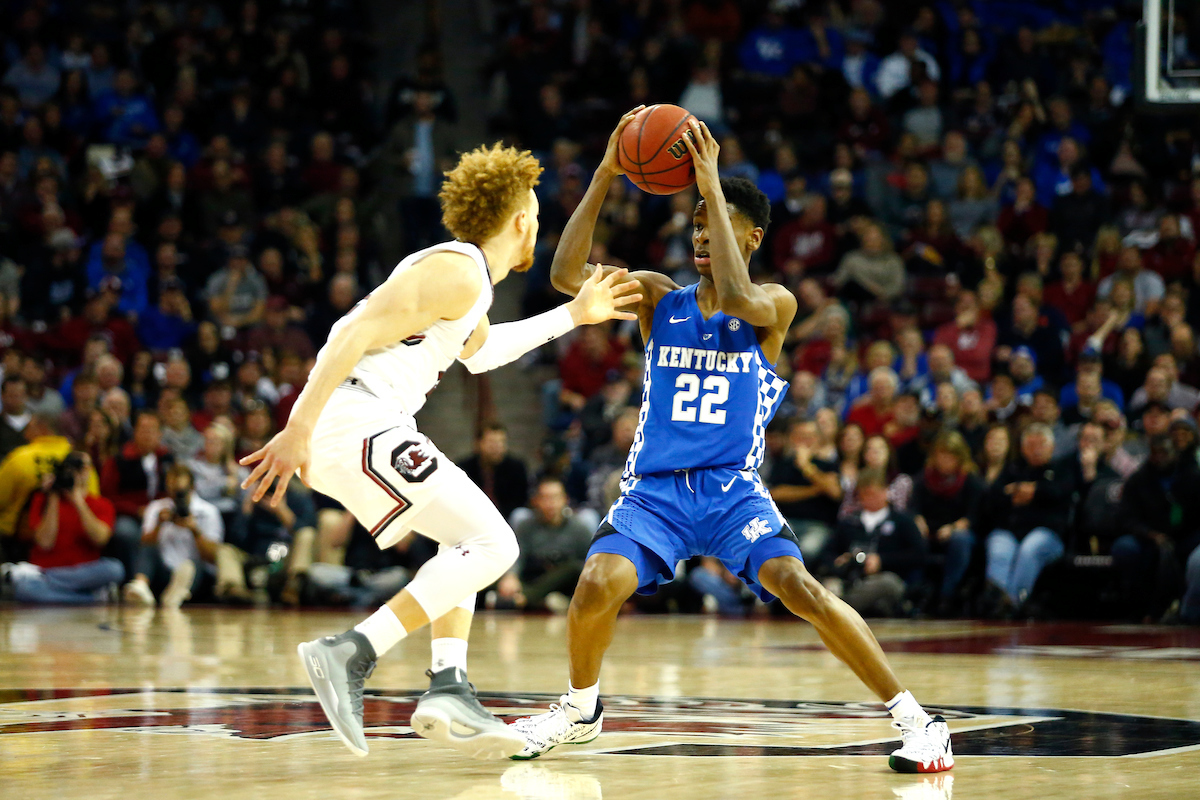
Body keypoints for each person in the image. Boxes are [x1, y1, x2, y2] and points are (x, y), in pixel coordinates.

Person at [515, 113, 953, 774]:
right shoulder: (660, 299)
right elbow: (566, 275)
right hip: (657, 493)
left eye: (708, 223)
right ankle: (579, 709)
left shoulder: (773, 305)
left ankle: (918, 723)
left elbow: (742, 291)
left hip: (731, 492)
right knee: (596, 583)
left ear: (749, 236)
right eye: (690, 225)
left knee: (800, 589)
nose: (696, 235)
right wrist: (607, 172)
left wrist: (713, 185)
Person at [238, 142, 640, 761]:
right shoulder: (459, 270)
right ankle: (352, 649)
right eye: (536, 211)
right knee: (497, 544)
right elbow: (351, 332)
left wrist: (573, 315)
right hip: (357, 416)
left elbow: (479, 353)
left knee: (466, 542)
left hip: (364, 421)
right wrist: (298, 426)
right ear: (521, 222)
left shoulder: (469, 282)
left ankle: (448, 684)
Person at [984, 424, 1075, 615]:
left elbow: (1059, 492)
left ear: (1051, 447)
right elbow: (993, 495)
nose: (1036, 449)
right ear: (1023, 448)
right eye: (1031, 445)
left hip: (1047, 533)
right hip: (1010, 530)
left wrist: (1034, 491)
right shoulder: (1013, 468)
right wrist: (1025, 491)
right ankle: (996, 600)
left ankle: (1013, 602)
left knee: (1029, 549)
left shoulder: (1062, 469)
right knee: (999, 549)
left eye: (1041, 444)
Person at [10, 452, 123, 604]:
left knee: (115, 569)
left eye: (82, 467)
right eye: (72, 467)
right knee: (25, 588)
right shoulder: (43, 499)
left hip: (84, 572)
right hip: (47, 568)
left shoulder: (102, 504)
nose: (77, 473)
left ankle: (56, 588)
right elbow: (45, 542)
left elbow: (100, 539)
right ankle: (92, 598)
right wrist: (54, 496)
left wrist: (78, 500)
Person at [827, 468, 927, 617]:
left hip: (886, 579)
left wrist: (882, 561)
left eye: (874, 493)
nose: (869, 498)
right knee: (828, 586)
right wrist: (841, 560)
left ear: (886, 492)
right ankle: (850, 608)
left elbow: (919, 555)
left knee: (888, 583)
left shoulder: (902, 521)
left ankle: (840, 609)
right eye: (865, 494)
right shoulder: (848, 523)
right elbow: (827, 553)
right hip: (850, 581)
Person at [122, 463, 222, 609]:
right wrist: (159, 525)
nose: (177, 497)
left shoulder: (208, 512)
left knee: (193, 566)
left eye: (182, 492)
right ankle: (141, 585)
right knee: (149, 548)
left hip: (195, 574)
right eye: (173, 491)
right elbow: (143, 543)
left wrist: (195, 531)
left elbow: (214, 557)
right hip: (164, 571)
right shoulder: (157, 508)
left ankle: (177, 593)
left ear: (192, 487)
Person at [911, 432, 983, 615]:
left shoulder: (970, 481)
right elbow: (913, 509)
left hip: (957, 531)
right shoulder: (924, 478)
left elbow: (974, 516)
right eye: (941, 455)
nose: (945, 460)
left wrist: (952, 528)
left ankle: (947, 594)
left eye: (950, 456)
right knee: (912, 535)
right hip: (929, 530)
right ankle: (916, 592)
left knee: (960, 540)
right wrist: (918, 521)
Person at [459, 422, 529, 523]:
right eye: (492, 442)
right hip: (472, 517)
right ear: (478, 443)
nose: (497, 447)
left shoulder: (516, 467)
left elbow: (520, 501)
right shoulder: (464, 468)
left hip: (506, 518)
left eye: (502, 442)